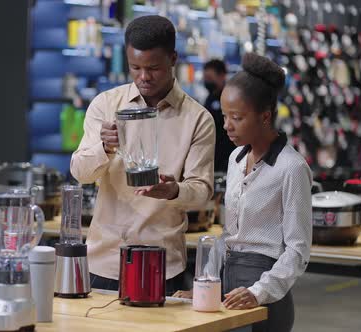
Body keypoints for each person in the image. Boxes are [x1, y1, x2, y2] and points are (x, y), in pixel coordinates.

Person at [70, 15, 216, 295]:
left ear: (173, 58)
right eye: (135, 67)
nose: (143, 77)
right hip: (104, 261)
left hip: (162, 263)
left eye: (153, 68)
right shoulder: (105, 105)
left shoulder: (198, 119)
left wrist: (174, 191)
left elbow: (202, 191)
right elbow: (79, 172)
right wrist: (103, 149)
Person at [174, 53, 312, 332]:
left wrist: (258, 292)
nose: (226, 125)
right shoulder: (236, 159)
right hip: (227, 287)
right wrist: (205, 287)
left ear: (265, 116)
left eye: (236, 117)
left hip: (266, 293)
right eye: (224, 116)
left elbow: (298, 251)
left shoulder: (291, 168)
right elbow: (228, 236)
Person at [203, 59, 236, 172]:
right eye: (206, 78)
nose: (207, 82)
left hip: (228, 155)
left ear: (222, 76)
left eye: (210, 78)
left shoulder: (231, 98)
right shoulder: (209, 99)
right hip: (213, 155)